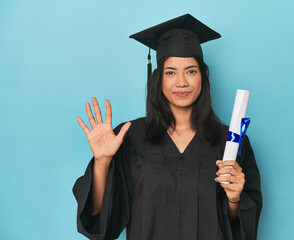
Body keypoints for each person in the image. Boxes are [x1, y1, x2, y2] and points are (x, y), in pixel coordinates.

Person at [72, 14, 262, 240]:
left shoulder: (230, 140)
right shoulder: (130, 137)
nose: (181, 82)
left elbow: (239, 230)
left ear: (203, 76)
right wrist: (102, 162)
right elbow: (98, 216)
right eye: (170, 72)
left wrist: (234, 199)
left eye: (191, 71)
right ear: (158, 78)